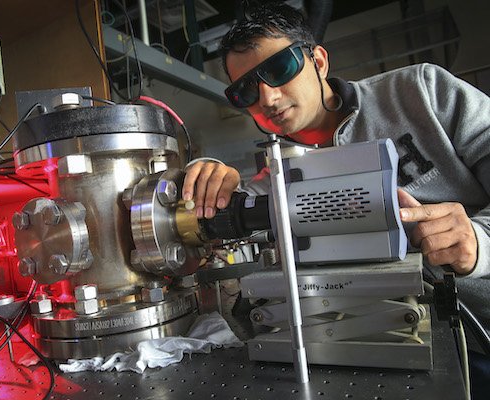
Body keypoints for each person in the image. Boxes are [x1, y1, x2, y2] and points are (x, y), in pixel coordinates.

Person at [182, 5, 490, 324]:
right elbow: (208, 227)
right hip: (389, 337)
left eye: (278, 70)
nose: (267, 99)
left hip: (480, 322)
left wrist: (480, 242)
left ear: (318, 61)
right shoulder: (275, 177)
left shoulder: (419, 92)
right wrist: (210, 176)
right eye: (245, 90)